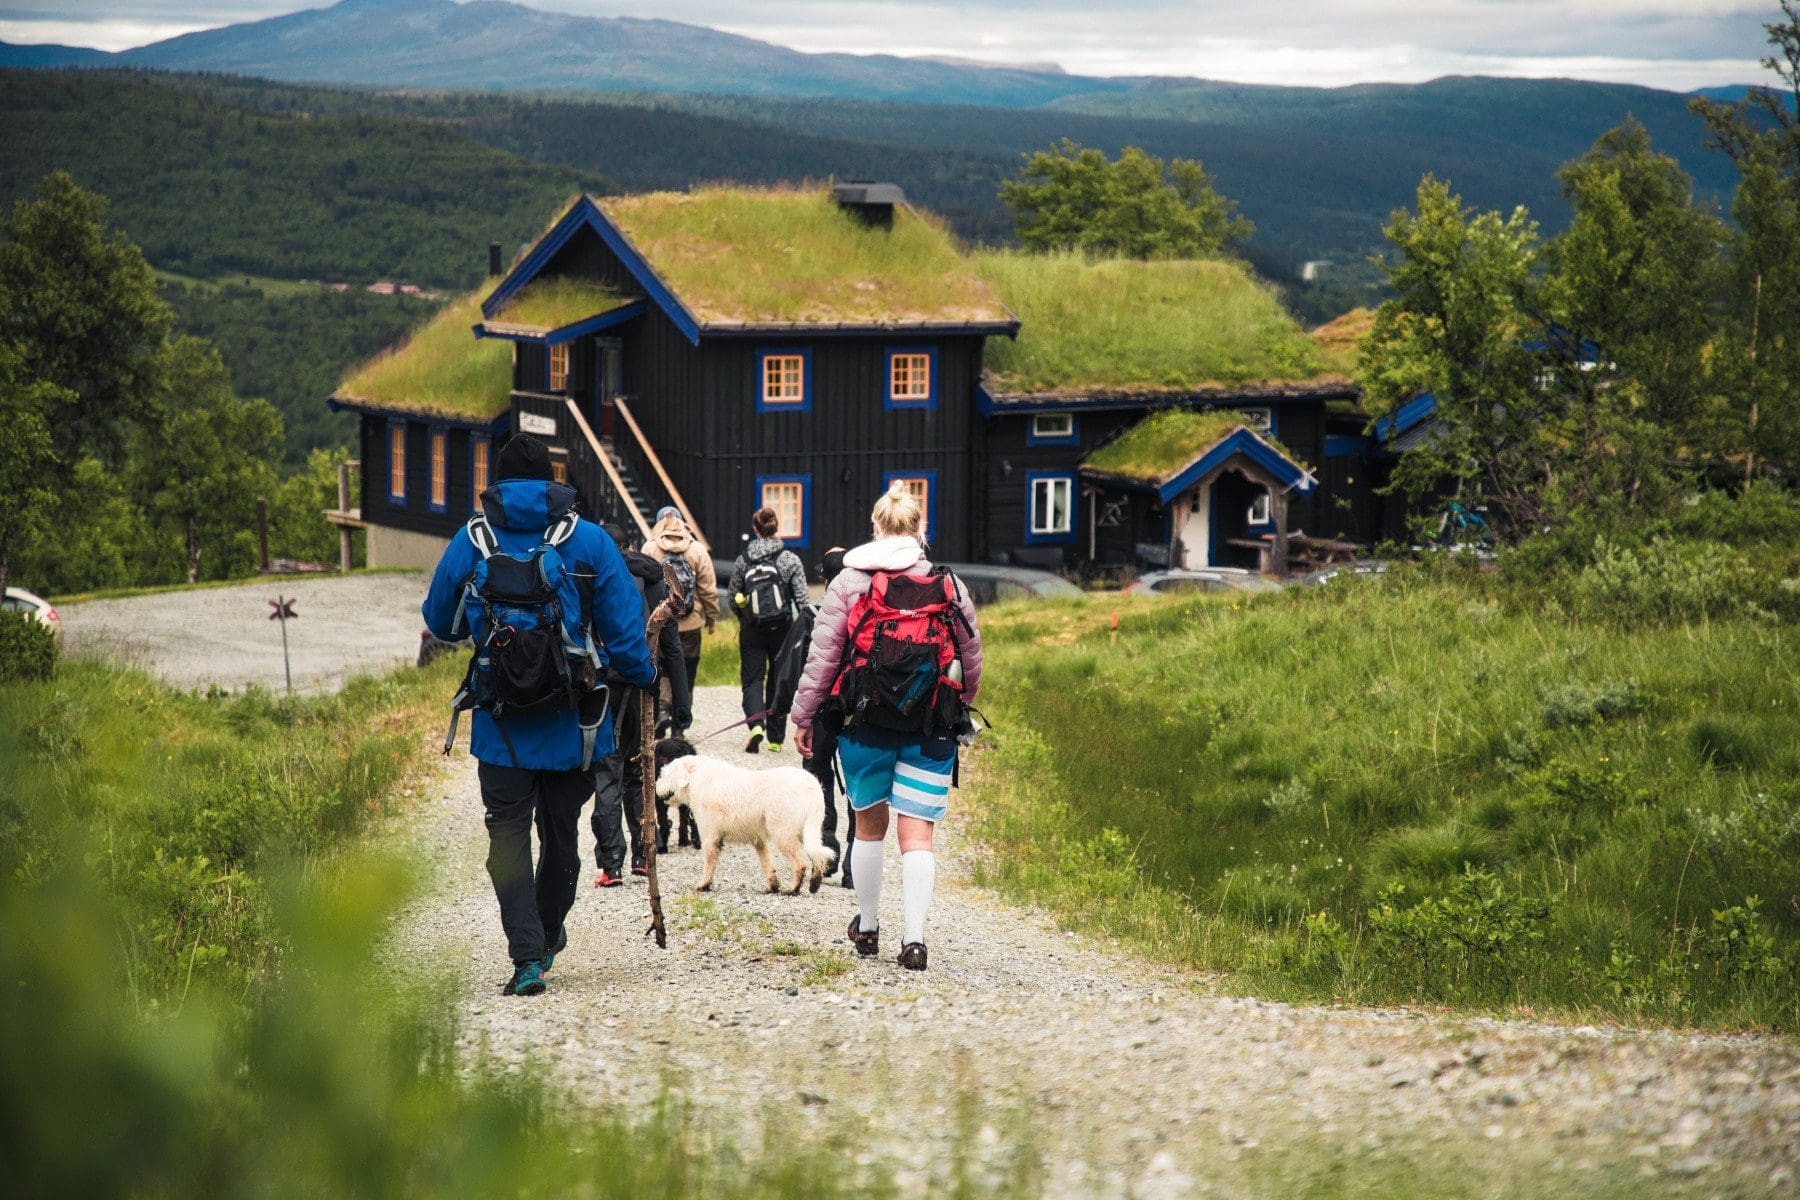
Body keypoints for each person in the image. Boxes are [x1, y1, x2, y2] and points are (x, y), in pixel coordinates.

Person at [422, 434, 655, 998]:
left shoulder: (472, 539)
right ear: (551, 481)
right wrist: (644, 674)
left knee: (506, 840)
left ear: (498, 484)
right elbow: (624, 633)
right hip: (573, 726)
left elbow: (441, 621)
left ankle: (526, 957)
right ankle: (549, 934)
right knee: (561, 837)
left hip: (501, 728)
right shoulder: (589, 541)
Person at [791, 482, 982, 970]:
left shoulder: (849, 582)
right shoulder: (947, 583)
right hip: (929, 727)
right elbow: (971, 656)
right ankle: (915, 940)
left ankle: (869, 925)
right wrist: (958, 705)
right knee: (917, 834)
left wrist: (804, 717)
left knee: (868, 825)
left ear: (874, 528)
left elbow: (822, 659)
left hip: (864, 724)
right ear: (922, 529)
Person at [591, 523, 691, 885]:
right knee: (639, 772)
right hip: (645, 687)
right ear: (632, 546)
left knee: (607, 770)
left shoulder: (599, 574)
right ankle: (643, 856)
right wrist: (681, 702)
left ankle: (611, 864)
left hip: (607, 687)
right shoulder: (654, 578)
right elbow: (673, 647)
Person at [769, 546, 849, 876]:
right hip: (859, 712)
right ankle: (854, 869)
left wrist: (781, 708)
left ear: (822, 577)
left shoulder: (814, 614)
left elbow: (790, 667)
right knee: (859, 787)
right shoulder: (870, 609)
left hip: (821, 712)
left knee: (818, 782)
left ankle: (825, 849)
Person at [726, 506, 807, 754]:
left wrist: (746, 617)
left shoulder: (743, 560)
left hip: (752, 628)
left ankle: (755, 725)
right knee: (778, 679)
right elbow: (802, 600)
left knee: (752, 679)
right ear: (775, 527)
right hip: (782, 629)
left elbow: (731, 597)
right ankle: (775, 738)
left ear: (755, 529)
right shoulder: (790, 559)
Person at [642, 504, 716, 734]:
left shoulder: (650, 547)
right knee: (687, 672)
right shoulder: (697, 550)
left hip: (660, 622)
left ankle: (662, 711)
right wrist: (711, 617)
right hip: (690, 623)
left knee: (662, 669)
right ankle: (680, 724)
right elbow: (708, 589)